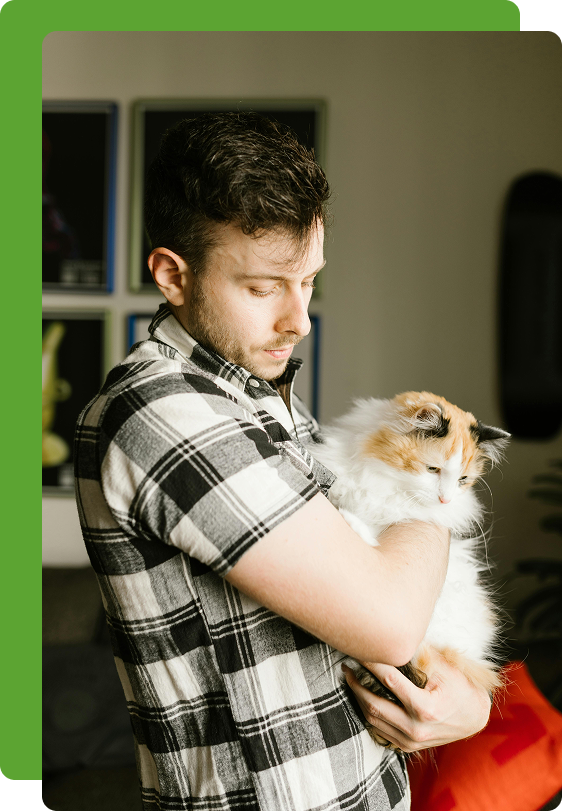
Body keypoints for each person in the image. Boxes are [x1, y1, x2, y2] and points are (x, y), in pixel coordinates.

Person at [75, 112, 491, 811]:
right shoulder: (162, 411)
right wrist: (433, 482)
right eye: (265, 286)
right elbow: (391, 619)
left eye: (309, 281)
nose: (298, 318)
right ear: (173, 275)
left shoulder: (262, 402)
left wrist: (469, 706)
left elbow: (387, 629)